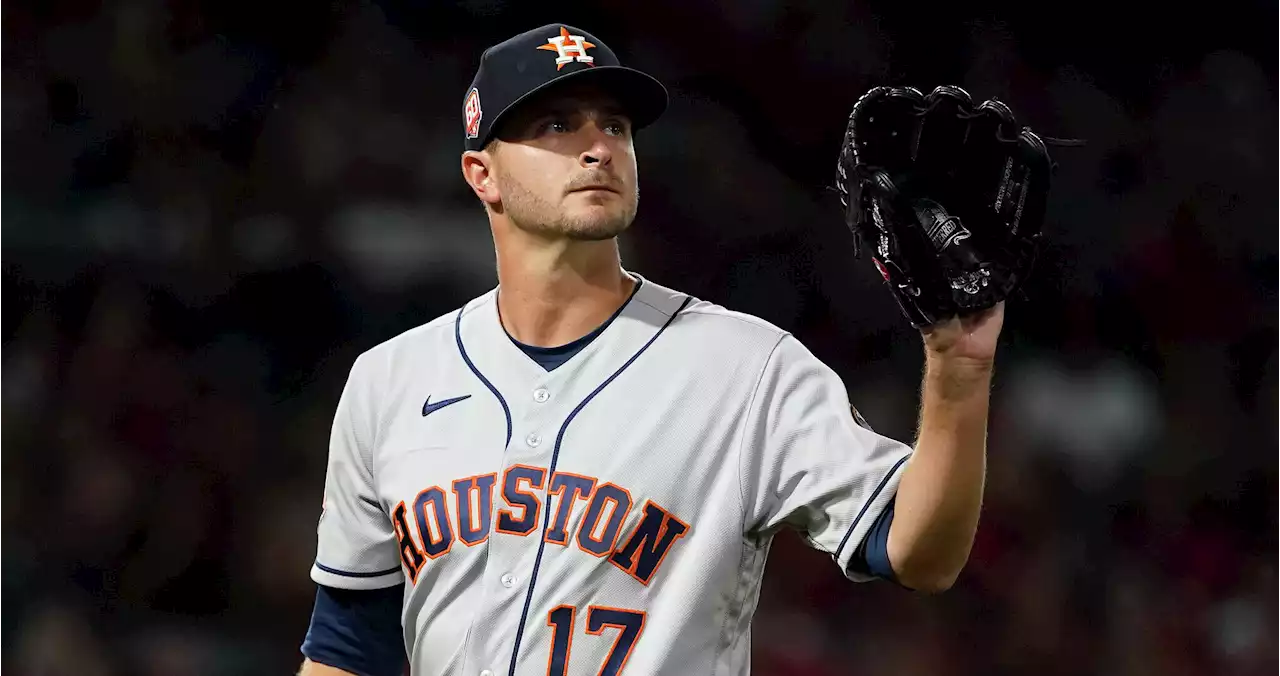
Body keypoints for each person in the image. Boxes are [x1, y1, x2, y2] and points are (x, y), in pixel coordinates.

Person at [298, 23, 1001, 676]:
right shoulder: (389, 381)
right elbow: (349, 641)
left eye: (615, 125)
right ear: (482, 176)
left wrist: (957, 368)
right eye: (556, 124)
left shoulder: (744, 367)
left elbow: (919, 551)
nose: (598, 145)